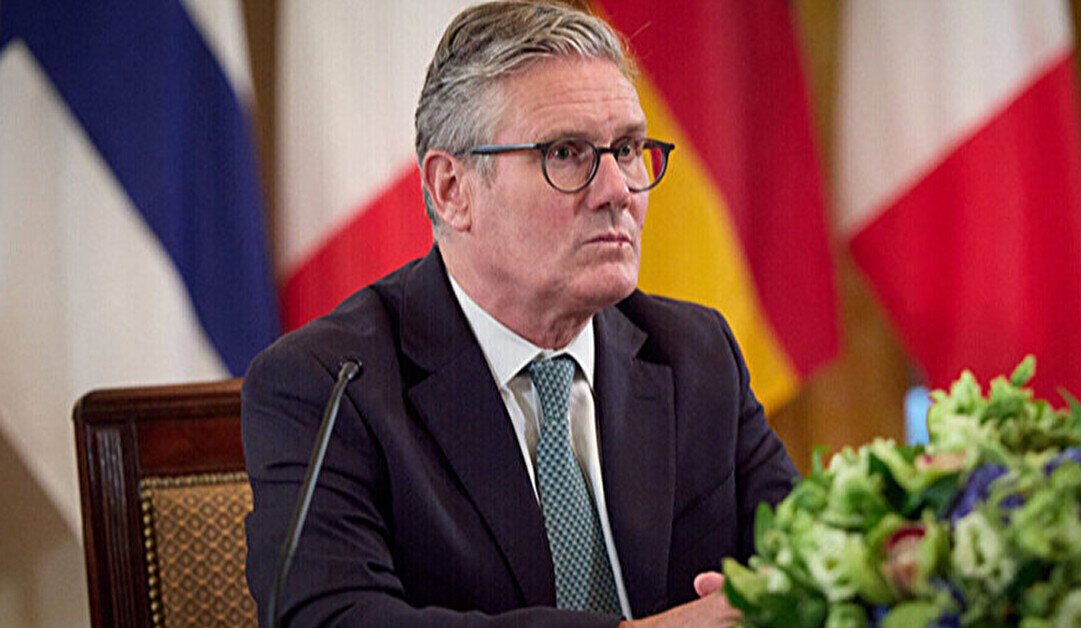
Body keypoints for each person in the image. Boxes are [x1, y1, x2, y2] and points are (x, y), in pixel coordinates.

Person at [242, 2, 798, 626]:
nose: (617, 190)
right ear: (452, 189)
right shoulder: (330, 384)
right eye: (566, 153)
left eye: (627, 149)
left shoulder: (694, 352)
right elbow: (328, 617)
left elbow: (815, 557)